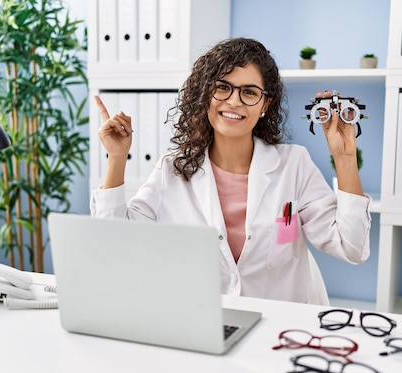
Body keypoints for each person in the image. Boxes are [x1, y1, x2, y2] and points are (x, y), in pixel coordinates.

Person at [90, 37, 371, 304]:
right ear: (206, 94)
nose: (234, 101)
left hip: (279, 327)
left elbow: (351, 247)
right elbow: (116, 245)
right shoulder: (172, 170)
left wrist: (344, 156)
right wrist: (116, 158)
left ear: (265, 104)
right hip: (204, 321)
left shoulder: (293, 165)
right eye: (222, 87)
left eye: (249, 92)